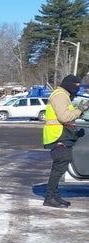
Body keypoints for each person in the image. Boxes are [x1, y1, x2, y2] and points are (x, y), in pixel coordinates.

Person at [42, 74, 87, 207]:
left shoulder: (64, 95)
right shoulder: (60, 96)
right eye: (76, 86)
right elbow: (64, 117)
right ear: (69, 85)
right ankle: (49, 198)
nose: (77, 89)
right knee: (58, 168)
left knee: (60, 168)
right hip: (58, 136)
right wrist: (80, 109)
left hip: (62, 135)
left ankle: (54, 195)